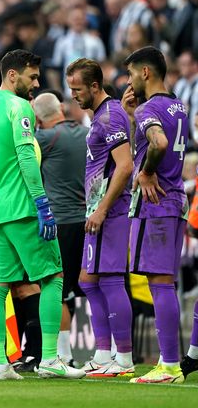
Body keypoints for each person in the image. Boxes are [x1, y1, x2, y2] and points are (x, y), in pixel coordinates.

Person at [0, 49, 86, 380]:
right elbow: (25, 157)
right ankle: (49, 358)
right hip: (23, 209)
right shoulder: (19, 108)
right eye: (32, 77)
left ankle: (1, 364)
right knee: (52, 277)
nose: (36, 83)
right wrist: (42, 204)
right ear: (13, 75)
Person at [63, 58, 135, 377]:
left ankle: (124, 358)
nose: (74, 96)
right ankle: (104, 353)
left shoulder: (109, 116)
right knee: (87, 280)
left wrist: (104, 207)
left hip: (111, 212)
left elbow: (125, 166)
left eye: (77, 89)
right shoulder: (103, 116)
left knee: (109, 280)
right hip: (97, 211)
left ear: (95, 86)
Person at [123, 46, 189, 384]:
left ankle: (169, 365)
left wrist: (147, 173)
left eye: (132, 73)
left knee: (160, 284)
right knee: (164, 282)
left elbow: (158, 143)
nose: (130, 80)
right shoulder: (180, 106)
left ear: (145, 73)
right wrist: (134, 118)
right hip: (175, 201)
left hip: (157, 203)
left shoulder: (151, 107)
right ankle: (170, 362)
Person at [32, 91, 89, 369]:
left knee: (58, 287)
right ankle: (113, 351)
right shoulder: (85, 133)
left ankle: (64, 354)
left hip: (61, 222)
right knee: (92, 286)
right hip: (89, 221)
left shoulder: (44, 139)